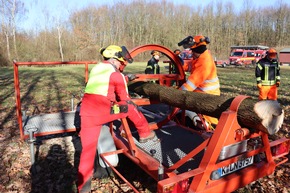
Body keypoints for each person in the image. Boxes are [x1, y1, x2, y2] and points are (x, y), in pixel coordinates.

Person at [77, 45, 156, 193]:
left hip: (87, 114)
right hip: (104, 112)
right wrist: (123, 80)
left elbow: (104, 82)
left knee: (87, 152)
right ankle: (145, 133)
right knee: (130, 106)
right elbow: (124, 98)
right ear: (115, 60)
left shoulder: (98, 68)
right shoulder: (116, 75)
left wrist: (126, 78)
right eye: (121, 62)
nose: (122, 65)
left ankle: (83, 188)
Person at [178, 35, 220, 129]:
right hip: (200, 95)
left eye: (192, 51)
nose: (191, 53)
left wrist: (176, 94)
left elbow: (190, 85)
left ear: (198, 50)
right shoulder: (200, 58)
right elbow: (191, 66)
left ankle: (212, 131)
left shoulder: (205, 64)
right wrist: (181, 64)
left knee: (208, 123)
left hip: (207, 97)